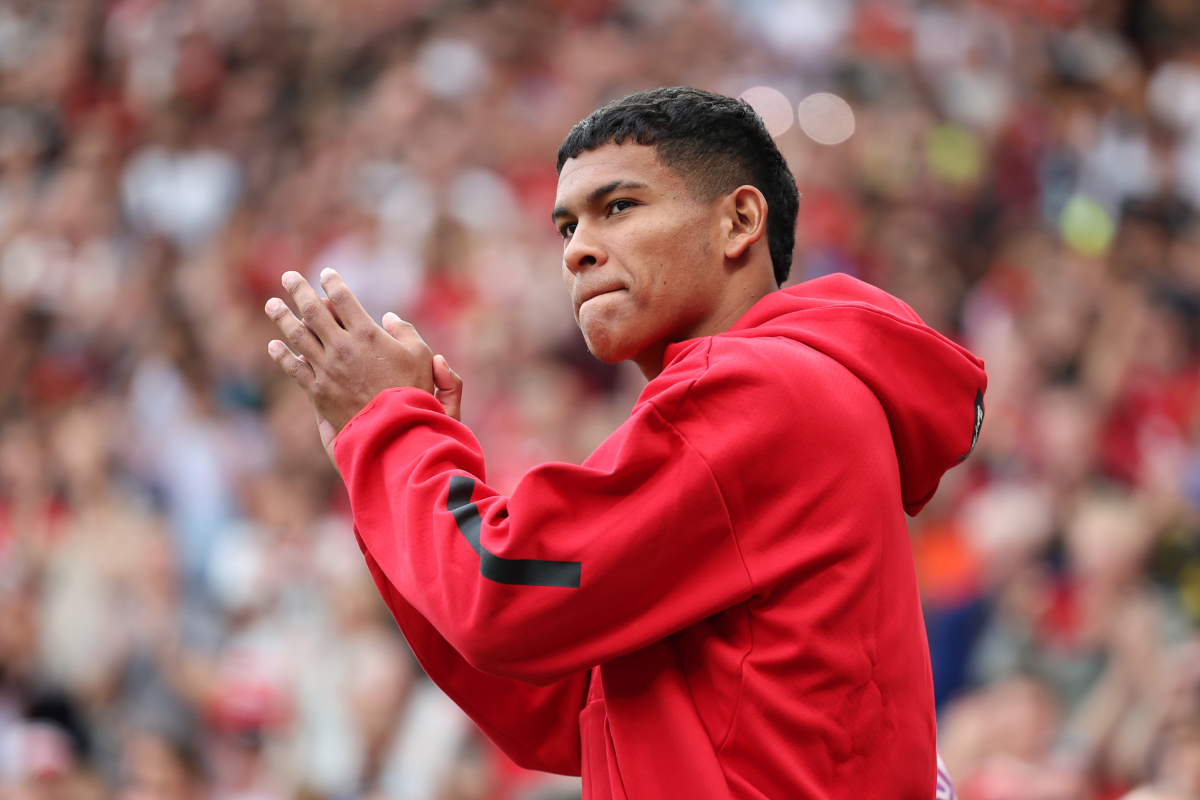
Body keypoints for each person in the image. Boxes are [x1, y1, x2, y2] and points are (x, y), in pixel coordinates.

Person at [264, 87, 986, 799]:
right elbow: (567, 709)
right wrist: (389, 464)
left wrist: (393, 431)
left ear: (739, 221)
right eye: (566, 228)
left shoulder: (760, 387)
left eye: (618, 208)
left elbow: (501, 597)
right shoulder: (787, 388)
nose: (578, 250)